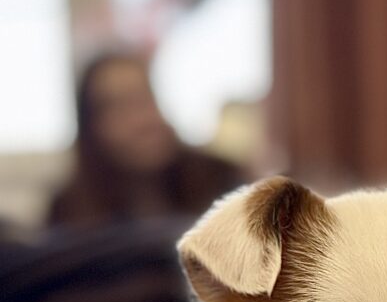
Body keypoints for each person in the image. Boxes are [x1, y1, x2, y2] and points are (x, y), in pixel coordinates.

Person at [48, 50, 243, 227]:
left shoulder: (220, 178)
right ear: (92, 125)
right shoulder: (68, 211)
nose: (142, 120)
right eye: (119, 106)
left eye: (144, 98)